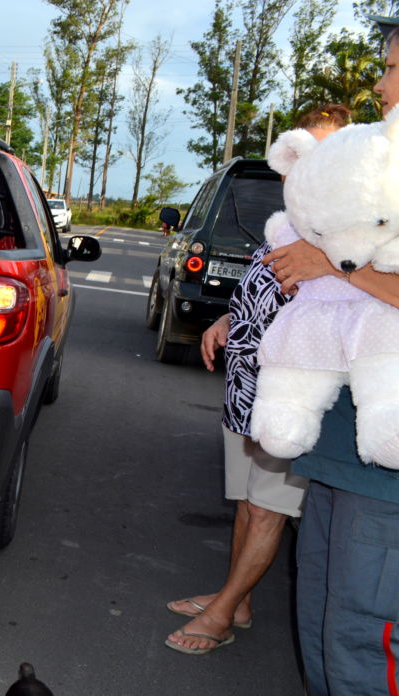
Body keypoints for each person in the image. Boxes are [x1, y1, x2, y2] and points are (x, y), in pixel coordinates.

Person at [265, 17, 399, 696]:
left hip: (388, 473)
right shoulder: (376, 169)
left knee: (361, 639)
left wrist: (331, 261)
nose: (381, 85)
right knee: (318, 622)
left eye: (390, 69)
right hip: (342, 449)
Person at [164, 105, 352, 656]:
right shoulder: (291, 218)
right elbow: (265, 289)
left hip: (292, 393)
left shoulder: (351, 229)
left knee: (270, 505)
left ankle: (223, 614)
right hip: (248, 383)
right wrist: (227, 319)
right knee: (249, 501)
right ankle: (235, 597)